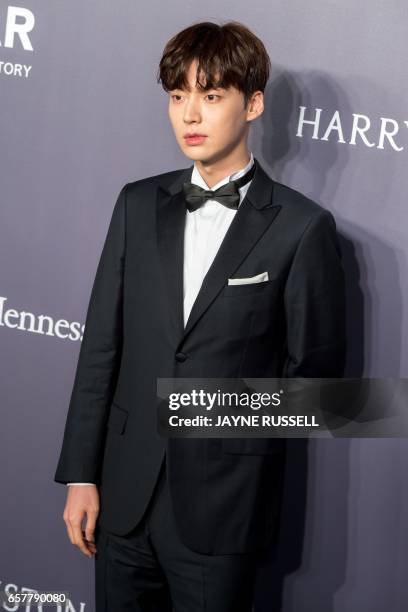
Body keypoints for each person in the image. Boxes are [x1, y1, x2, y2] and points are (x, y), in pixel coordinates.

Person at [54, 20, 346, 612]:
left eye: (211, 96)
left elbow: (316, 390)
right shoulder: (137, 204)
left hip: (224, 509)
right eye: (178, 95)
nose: (191, 114)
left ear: (253, 104)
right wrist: (81, 474)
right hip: (122, 498)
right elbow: (101, 348)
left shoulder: (301, 227)